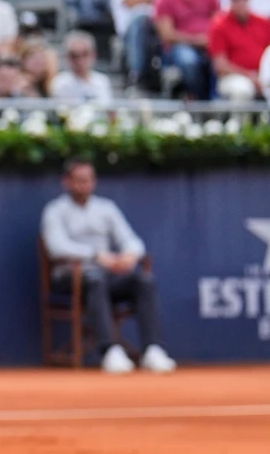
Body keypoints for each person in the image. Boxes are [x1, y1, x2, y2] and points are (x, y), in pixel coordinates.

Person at [41, 160, 175, 375]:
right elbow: (56, 247)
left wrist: (130, 255)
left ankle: (153, 349)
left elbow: (131, 239)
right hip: (70, 278)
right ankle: (110, 350)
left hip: (107, 275)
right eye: (79, 181)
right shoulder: (55, 211)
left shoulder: (106, 208)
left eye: (88, 180)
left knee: (143, 281)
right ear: (67, 182)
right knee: (96, 279)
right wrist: (96, 256)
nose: (84, 185)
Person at [148, 0, 218, 99]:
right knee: (188, 61)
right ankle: (199, 100)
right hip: (179, 47)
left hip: (208, 43)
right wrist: (198, 40)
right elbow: (168, 35)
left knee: (219, 59)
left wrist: (210, 40)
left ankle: (216, 100)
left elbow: (218, 22)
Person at [208, 0, 270, 102]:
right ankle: (240, 123)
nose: (240, 1)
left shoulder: (264, 22)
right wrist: (249, 76)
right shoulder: (219, 24)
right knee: (242, 90)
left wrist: (263, 76)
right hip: (233, 77)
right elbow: (220, 65)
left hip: (264, 75)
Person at [49, 31, 112, 102]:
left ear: (93, 55)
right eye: (74, 56)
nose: (80, 61)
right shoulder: (60, 83)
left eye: (85, 54)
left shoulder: (102, 81)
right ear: (68, 57)